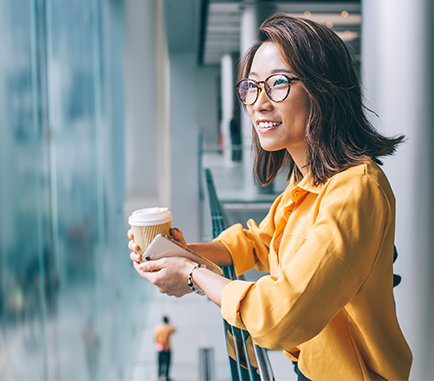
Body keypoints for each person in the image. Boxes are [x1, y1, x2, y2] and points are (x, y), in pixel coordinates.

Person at [128, 14, 412, 381]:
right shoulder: (309, 179)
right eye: (252, 87)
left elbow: (278, 317)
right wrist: (185, 251)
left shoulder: (356, 189)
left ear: (324, 89)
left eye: (278, 83)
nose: (259, 104)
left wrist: (192, 274)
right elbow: (262, 242)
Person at [154, 316, 176, 381]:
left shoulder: (157, 328)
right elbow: (175, 329)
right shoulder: (167, 328)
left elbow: (155, 337)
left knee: (160, 362)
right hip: (167, 348)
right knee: (168, 363)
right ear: (167, 321)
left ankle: (159, 375)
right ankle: (166, 376)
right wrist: (170, 323)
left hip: (160, 348)